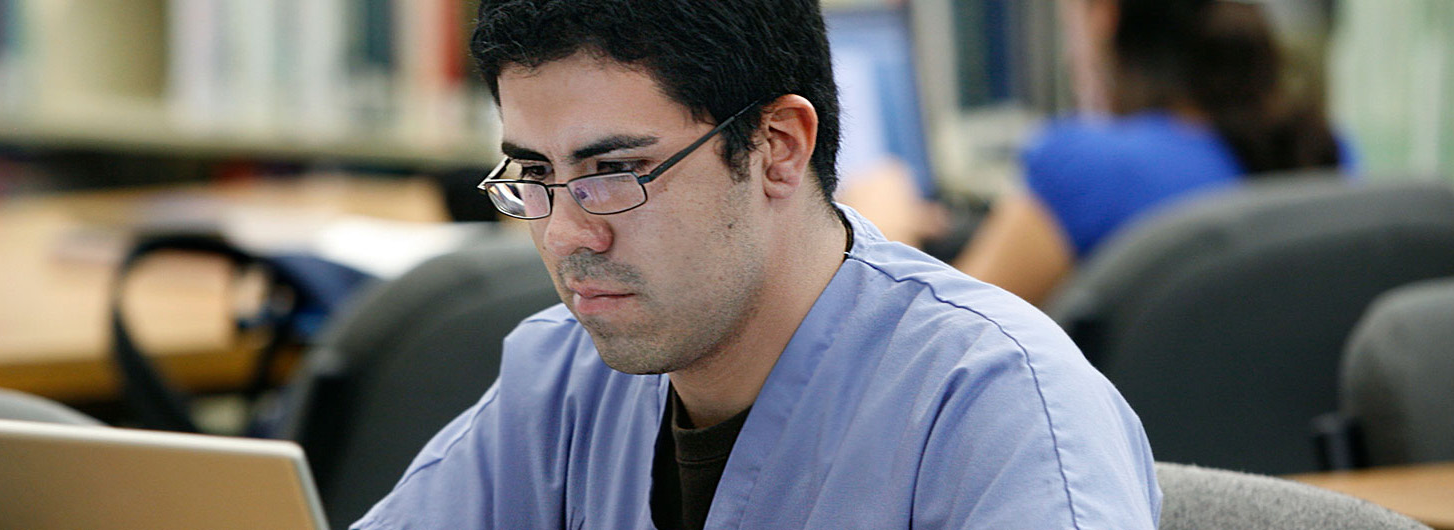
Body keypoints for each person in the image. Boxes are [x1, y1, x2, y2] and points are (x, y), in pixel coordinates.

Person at [353, 1, 1161, 528]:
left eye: (611, 175)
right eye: (534, 175)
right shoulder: (560, 377)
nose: (565, 234)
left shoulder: (998, 406)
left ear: (777, 149)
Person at [941, 0, 1348, 304]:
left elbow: (945, 338)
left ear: (1105, 16)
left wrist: (883, 228)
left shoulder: (1085, 165)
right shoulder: (1325, 150)